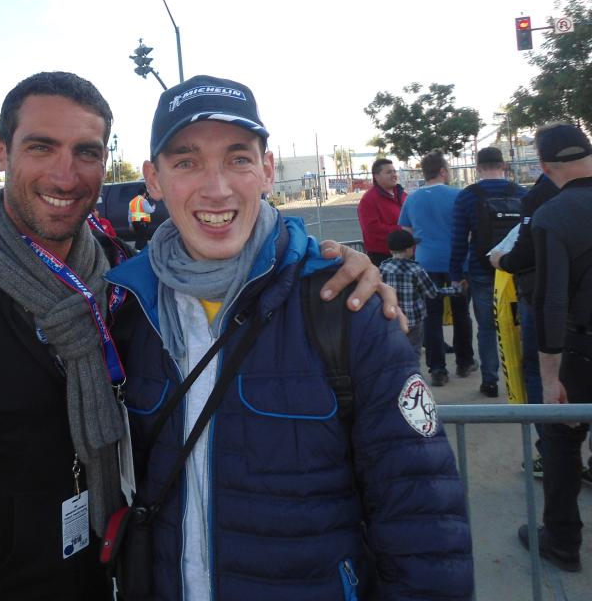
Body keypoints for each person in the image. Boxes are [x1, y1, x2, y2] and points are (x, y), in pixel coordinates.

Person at [0, 71, 393, 600]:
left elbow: (235, 266)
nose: (66, 176)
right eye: (41, 147)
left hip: (96, 581)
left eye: (87, 152)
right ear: (0, 151)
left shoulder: (122, 282)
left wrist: (330, 263)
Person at [108, 75, 473, 600]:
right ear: (154, 180)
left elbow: (423, 516)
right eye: (186, 162)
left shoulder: (343, 306)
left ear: (268, 171)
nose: (217, 187)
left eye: (238, 159)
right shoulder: (126, 310)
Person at [517, 122, 592, 574]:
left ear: (544, 167)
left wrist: (550, 380)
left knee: (562, 440)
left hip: (580, 350)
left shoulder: (553, 215)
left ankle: (562, 540)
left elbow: (552, 302)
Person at [490, 171, 560, 474]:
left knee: (537, 368)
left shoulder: (538, 197)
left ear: (544, 161)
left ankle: (552, 452)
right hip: (576, 300)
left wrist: (501, 260)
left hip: (542, 296)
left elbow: (523, 251)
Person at [450, 146, 527, 398]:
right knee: (520, 324)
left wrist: (456, 273)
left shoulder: (468, 196)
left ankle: (490, 380)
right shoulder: (523, 194)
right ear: (503, 166)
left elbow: (459, 239)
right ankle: (524, 377)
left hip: (481, 270)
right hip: (517, 270)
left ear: (478, 168)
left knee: (487, 327)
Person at [399, 150, 476, 384]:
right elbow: (471, 229)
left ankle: (437, 368)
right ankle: (464, 362)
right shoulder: (459, 195)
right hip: (457, 262)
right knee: (461, 313)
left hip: (426, 262)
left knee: (431, 316)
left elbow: (406, 232)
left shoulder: (411, 199)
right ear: (443, 171)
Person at [380, 229, 447, 366]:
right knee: (414, 353)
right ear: (409, 249)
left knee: (394, 352)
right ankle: (413, 378)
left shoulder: (383, 268)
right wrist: (455, 290)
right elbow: (432, 293)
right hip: (414, 321)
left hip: (392, 319)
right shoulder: (416, 270)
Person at [357, 157, 405, 265]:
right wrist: (403, 230)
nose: (394, 175)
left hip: (407, 254)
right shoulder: (368, 200)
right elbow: (372, 229)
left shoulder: (403, 195)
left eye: (394, 171)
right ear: (376, 176)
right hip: (383, 258)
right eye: (388, 172)